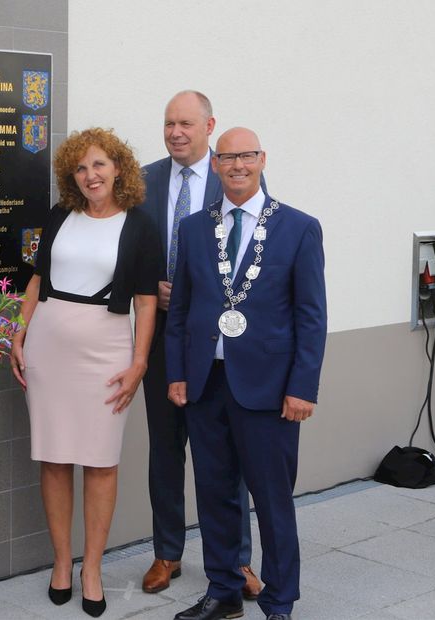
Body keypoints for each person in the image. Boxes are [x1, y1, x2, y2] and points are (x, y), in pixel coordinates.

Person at [166, 127, 326, 620]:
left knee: (272, 501)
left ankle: (279, 600)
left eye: (247, 156)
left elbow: (311, 316)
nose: (238, 165)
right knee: (214, 494)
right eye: (229, 157)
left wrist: (302, 387)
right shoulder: (193, 228)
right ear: (215, 164)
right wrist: (177, 374)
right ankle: (224, 591)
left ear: (262, 160)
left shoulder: (299, 227)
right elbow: (180, 312)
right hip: (206, 385)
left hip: (270, 391)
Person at [11, 128, 161, 618]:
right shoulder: (60, 216)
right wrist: (20, 332)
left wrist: (138, 363)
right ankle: (61, 561)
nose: (90, 175)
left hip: (107, 351)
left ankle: (91, 567)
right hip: (49, 346)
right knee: (54, 458)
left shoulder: (141, 225)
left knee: (100, 461)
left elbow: (144, 300)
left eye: (99, 165)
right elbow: (39, 278)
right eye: (81, 168)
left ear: (119, 168)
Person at [136, 91, 260, 597]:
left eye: (186, 123)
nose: (175, 133)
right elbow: (128, 249)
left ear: (209, 125)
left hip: (216, 343)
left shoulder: (233, 175)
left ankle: (237, 561)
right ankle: (167, 553)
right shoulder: (142, 181)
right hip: (163, 336)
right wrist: (150, 283)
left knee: (224, 453)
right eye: (169, 123)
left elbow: (252, 249)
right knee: (165, 449)